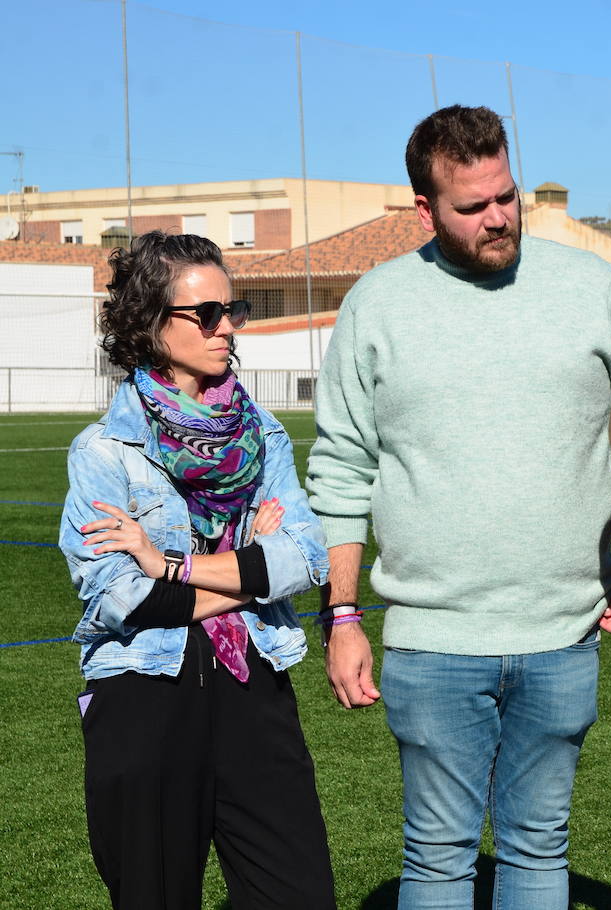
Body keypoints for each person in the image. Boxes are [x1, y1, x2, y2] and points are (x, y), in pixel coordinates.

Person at [305, 104, 611, 910]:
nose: (499, 217)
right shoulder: (377, 304)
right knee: (436, 860)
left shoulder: (592, 289)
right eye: (473, 206)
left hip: (564, 633)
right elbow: (341, 470)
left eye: (508, 195)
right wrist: (345, 614)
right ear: (425, 211)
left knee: (539, 851)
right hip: (432, 645)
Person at [60, 230, 334, 910]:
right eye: (205, 314)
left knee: (300, 895)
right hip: (145, 695)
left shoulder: (261, 431)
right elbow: (120, 596)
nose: (226, 329)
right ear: (151, 325)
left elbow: (305, 557)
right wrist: (244, 574)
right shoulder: (104, 452)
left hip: (256, 690)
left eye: (231, 311)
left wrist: (174, 567)